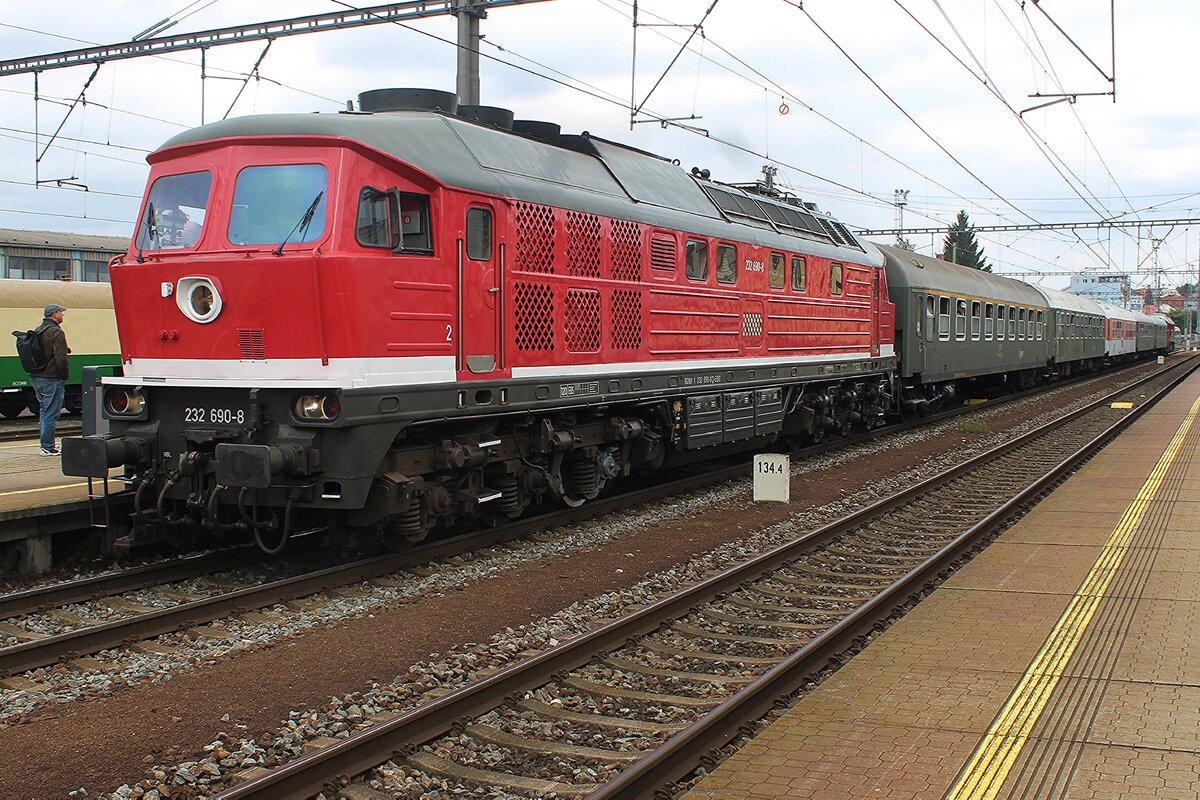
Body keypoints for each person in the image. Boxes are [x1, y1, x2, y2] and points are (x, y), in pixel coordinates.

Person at [29, 303, 69, 456]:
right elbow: (60, 358)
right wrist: (64, 375)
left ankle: (46, 445)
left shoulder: (39, 330)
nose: (62, 315)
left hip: (37, 377)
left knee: (44, 411)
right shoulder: (56, 332)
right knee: (51, 413)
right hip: (51, 378)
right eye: (61, 312)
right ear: (54, 314)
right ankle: (48, 447)